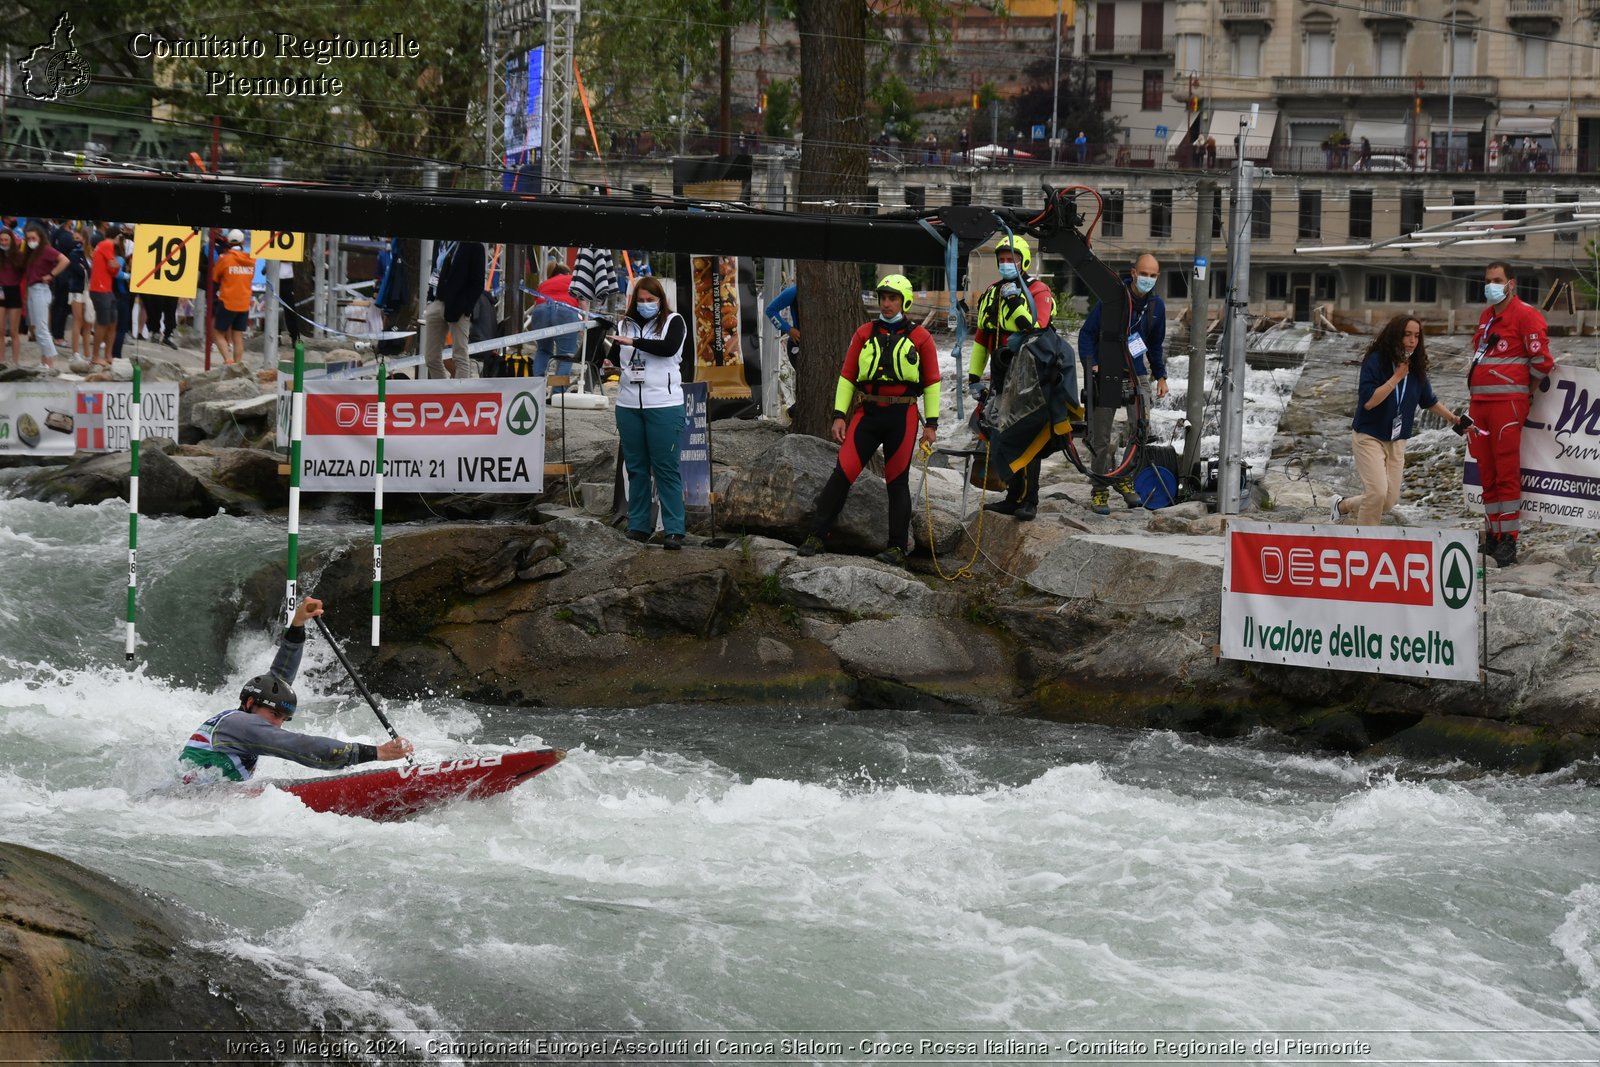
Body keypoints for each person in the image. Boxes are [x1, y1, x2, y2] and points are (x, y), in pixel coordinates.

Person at [177, 597, 414, 785]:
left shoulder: (242, 720)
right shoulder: (240, 724)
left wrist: (298, 624)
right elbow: (302, 746)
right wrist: (377, 753)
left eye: (284, 718)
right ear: (250, 703)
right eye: (275, 715)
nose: (278, 724)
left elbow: (279, 678)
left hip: (203, 801)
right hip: (189, 804)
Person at [797, 274, 941, 567]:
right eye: (883, 298)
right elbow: (848, 376)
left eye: (893, 298)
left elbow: (933, 383)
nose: (886, 304)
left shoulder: (921, 337)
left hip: (903, 415)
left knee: (897, 481)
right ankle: (816, 535)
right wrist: (839, 415)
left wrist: (932, 425)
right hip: (868, 413)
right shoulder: (864, 333)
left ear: (905, 301)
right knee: (843, 472)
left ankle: (897, 547)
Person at [1332, 316, 1468, 526]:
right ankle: (1366, 544)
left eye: (1416, 336)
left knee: (1387, 501)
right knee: (1376, 493)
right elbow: (1368, 402)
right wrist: (1396, 377)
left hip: (1397, 440)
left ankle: (1343, 506)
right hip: (1369, 435)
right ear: (1395, 334)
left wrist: (1453, 418)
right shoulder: (1376, 360)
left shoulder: (1415, 366)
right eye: (1407, 334)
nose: (1412, 340)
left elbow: (1428, 401)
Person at [1468, 261, 1553, 567]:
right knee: (1486, 473)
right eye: (1488, 279)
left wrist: (1525, 391)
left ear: (1511, 283)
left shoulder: (1526, 315)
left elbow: (1542, 361)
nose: (1491, 284)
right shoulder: (1486, 317)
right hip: (1480, 406)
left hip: (1507, 405)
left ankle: (1509, 541)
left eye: (1497, 279)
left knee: (1506, 474)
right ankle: (1492, 534)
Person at [967, 235, 1055, 520]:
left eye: (1012, 259)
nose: (1006, 264)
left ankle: (1030, 499)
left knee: (1028, 437)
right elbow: (982, 338)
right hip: (1001, 374)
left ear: (1024, 261)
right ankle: (1012, 494)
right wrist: (973, 377)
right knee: (1001, 435)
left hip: (1030, 376)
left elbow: (1035, 327)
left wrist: (1017, 300)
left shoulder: (1039, 291)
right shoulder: (992, 293)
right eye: (1002, 259)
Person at [1078, 253, 1168, 514]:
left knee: (1140, 430)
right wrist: (1092, 365)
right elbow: (1087, 334)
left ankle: (1124, 477)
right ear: (1133, 273)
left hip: (1136, 373)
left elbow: (1155, 345)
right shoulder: (1113, 300)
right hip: (1107, 372)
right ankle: (1100, 488)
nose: (1148, 279)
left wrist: (1160, 376)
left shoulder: (1156, 307)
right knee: (1101, 436)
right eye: (1144, 274)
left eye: (1153, 275)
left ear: (1157, 277)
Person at [608, 276, 688, 550]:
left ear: (660, 301)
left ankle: (674, 529)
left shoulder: (673, 321)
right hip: (629, 404)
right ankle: (638, 525)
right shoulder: (623, 324)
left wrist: (634, 342)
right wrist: (607, 359)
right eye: (640, 300)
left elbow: (668, 349)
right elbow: (612, 352)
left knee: (666, 467)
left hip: (664, 404)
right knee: (636, 468)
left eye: (650, 301)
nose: (645, 305)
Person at [422, 238, 486, 380]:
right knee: (431, 358)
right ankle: (443, 394)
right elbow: (435, 271)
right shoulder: (440, 243)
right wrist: (430, 300)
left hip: (458, 306)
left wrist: (466, 308)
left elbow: (478, 283)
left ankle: (461, 396)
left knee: (460, 356)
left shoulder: (474, 246)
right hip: (437, 301)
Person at [19, 221, 68, 372]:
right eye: (29, 239)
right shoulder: (32, 252)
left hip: (41, 289)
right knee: (37, 327)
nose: (31, 241)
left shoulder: (46, 250)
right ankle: (44, 361)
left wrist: (51, 275)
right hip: (33, 289)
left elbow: (64, 260)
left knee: (42, 328)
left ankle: (50, 362)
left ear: (40, 237)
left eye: (33, 238)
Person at [530, 263, 583, 387]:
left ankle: (537, 389)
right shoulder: (573, 280)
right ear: (567, 273)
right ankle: (558, 392)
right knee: (566, 354)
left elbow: (536, 302)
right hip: (565, 311)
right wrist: (584, 321)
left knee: (543, 350)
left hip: (541, 310)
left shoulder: (544, 284)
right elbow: (582, 301)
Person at [211, 228, 255, 365]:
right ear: (242, 242)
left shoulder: (225, 259)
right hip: (244, 302)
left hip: (227, 301)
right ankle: (238, 364)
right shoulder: (251, 260)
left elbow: (215, 277)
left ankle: (228, 360)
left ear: (228, 242)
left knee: (217, 333)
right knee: (238, 336)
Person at [87, 223, 119, 367]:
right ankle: (95, 356)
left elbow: (113, 269)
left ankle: (108, 355)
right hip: (100, 289)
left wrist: (115, 266)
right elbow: (114, 266)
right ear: (117, 237)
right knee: (103, 323)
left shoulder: (104, 245)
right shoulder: (107, 244)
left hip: (106, 288)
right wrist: (117, 264)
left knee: (112, 322)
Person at [0, 228, 23, 367]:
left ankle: (15, 362)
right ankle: (1, 361)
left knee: (14, 331)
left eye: (6, 240)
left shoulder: (18, 255)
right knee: (0, 330)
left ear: (11, 241)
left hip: (14, 291)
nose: (3, 242)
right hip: (1, 290)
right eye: (1, 240)